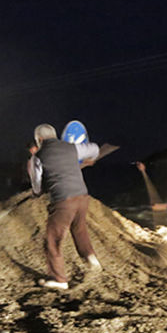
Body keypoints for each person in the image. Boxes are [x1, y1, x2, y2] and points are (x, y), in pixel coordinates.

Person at [27, 123, 103, 290]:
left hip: (63, 200)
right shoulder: (72, 148)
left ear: (39, 139)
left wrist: (37, 193)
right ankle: (90, 258)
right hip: (82, 196)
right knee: (79, 228)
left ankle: (59, 279)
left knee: (53, 239)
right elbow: (95, 148)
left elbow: (37, 184)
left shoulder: (37, 157)